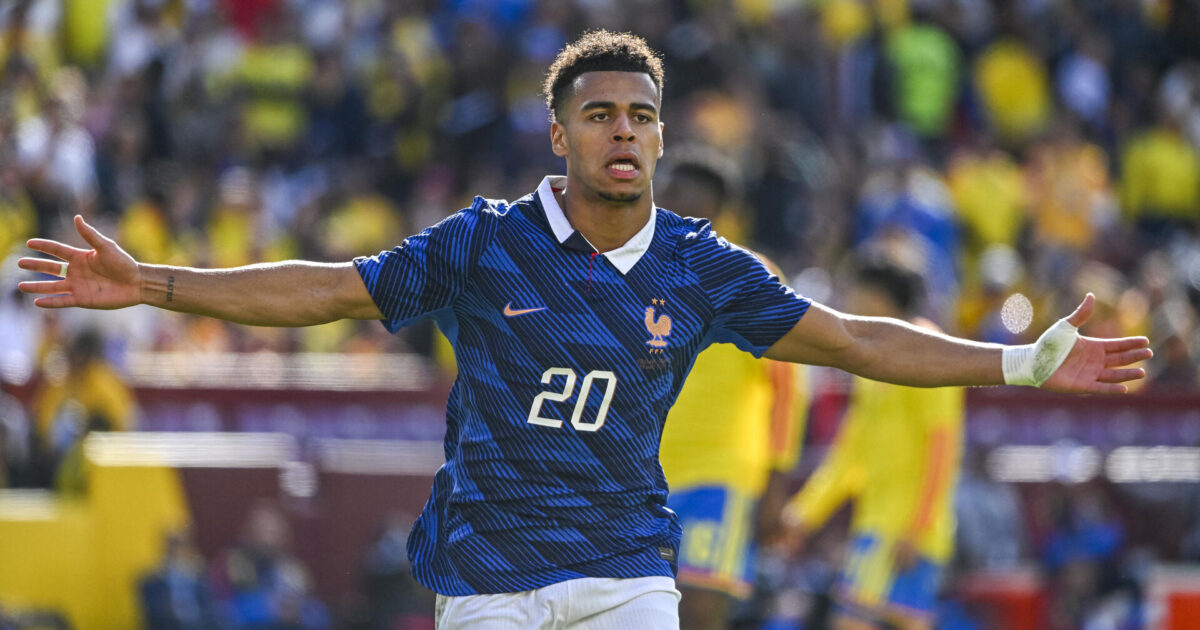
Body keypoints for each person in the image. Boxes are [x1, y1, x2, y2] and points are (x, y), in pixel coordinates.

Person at [17, 30, 1150, 630]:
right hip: (491, 574)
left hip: (625, 572)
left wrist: (1020, 359)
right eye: (600, 114)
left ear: (661, 139)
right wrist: (156, 284)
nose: (624, 132)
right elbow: (331, 290)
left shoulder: (702, 267)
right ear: (558, 135)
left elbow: (856, 341)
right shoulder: (485, 242)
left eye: (642, 117)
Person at [656, 147, 806, 630]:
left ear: (713, 207)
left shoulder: (749, 275)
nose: (665, 203)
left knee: (699, 608)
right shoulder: (642, 272)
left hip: (720, 473)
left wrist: (777, 484)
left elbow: (788, 392)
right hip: (647, 475)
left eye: (680, 195)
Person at [780, 257, 964, 630]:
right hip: (875, 525)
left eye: (856, 292)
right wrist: (806, 513)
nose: (848, 302)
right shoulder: (871, 360)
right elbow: (851, 453)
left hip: (907, 533)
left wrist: (918, 527)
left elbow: (943, 447)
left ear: (879, 298)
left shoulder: (926, 348)